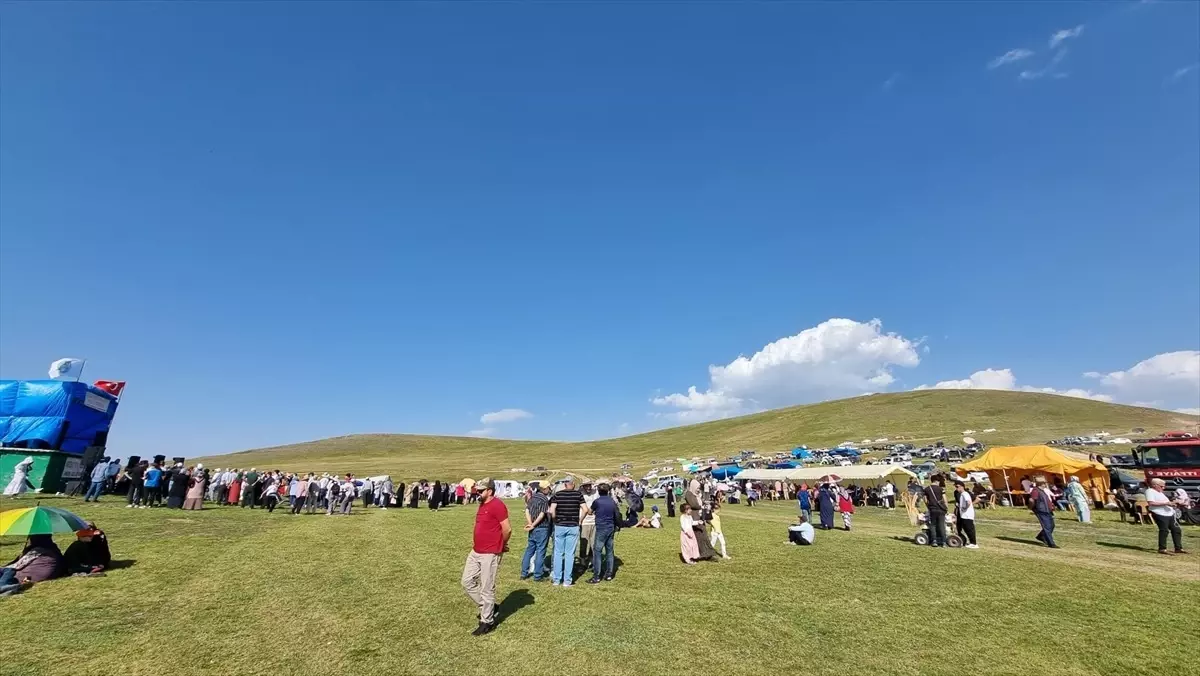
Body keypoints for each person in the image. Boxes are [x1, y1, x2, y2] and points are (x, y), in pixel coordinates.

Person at [462, 478, 510, 636]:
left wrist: (501, 544)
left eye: (481, 491)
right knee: (467, 581)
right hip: (476, 551)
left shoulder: (497, 505)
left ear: (489, 491)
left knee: (486, 587)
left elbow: (507, 529)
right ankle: (489, 607)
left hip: (490, 552)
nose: (478, 493)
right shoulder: (482, 504)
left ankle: (487, 621)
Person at [548, 478, 587, 587]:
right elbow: (585, 509)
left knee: (558, 552)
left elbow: (551, 511)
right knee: (570, 553)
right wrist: (580, 520)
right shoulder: (578, 495)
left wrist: (556, 520)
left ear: (565, 485)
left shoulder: (558, 495)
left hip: (560, 525)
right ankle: (567, 580)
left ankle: (556, 579)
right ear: (573, 485)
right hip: (573, 525)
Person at [0, 534, 65, 594]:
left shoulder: (38, 551)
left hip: (19, 578)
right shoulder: (53, 550)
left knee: (8, 570)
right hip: (33, 577)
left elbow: (16, 566)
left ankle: (2, 587)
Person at [587, 483, 621, 583]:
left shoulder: (597, 502)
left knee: (597, 551)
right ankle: (609, 574)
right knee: (609, 550)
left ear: (598, 491)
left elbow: (590, 512)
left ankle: (597, 576)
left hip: (601, 527)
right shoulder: (612, 501)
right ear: (608, 491)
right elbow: (616, 514)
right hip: (611, 527)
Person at [1145, 478, 1188, 555]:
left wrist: (1174, 503)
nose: (1163, 488)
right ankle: (1162, 548)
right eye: (1162, 486)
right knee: (1164, 530)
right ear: (1155, 485)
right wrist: (1167, 503)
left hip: (1169, 513)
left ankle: (1178, 548)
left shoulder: (1160, 493)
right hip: (1159, 513)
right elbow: (1151, 503)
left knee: (1176, 530)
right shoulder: (1150, 491)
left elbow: (1165, 502)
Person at [520, 482, 551, 582]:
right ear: (545, 489)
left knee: (529, 550)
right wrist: (533, 525)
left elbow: (527, 511)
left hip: (532, 528)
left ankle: (524, 573)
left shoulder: (532, 498)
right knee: (540, 551)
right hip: (542, 527)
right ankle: (538, 575)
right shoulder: (544, 499)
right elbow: (542, 514)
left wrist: (530, 523)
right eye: (549, 488)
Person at [1029, 477, 1058, 548]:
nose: (1046, 484)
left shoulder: (1042, 490)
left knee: (1052, 525)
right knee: (1047, 527)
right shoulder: (1035, 490)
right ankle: (1051, 543)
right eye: (1044, 483)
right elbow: (1031, 500)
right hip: (1041, 510)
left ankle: (1041, 536)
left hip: (1047, 510)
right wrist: (1031, 507)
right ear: (1041, 484)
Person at [923, 477, 949, 547]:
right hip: (941, 509)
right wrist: (946, 508)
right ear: (937, 481)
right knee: (941, 525)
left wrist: (928, 507)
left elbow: (925, 500)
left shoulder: (927, 489)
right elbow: (945, 499)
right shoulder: (941, 489)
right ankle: (944, 542)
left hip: (932, 509)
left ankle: (934, 541)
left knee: (933, 525)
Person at [953, 481, 979, 549]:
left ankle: (974, 543)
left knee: (969, 529)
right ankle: (971, 542)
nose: (956, 488)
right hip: (964, 515)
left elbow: (968, 502)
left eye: (957, 487)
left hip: (967, 515)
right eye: (955, 487)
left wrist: (965, 507)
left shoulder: (965, 494)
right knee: (966, 529)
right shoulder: (961, 494)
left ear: (962, 486)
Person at [578, 483, 598, 572]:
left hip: (594, 521)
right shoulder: (580, 494)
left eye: (589, 485)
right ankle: (582, 562)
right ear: (583, 487)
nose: (588, 487)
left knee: (593, 543)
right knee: (583, 543)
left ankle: (591, 561)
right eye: (586, 486)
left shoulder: (596, 492)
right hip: (584, 521)